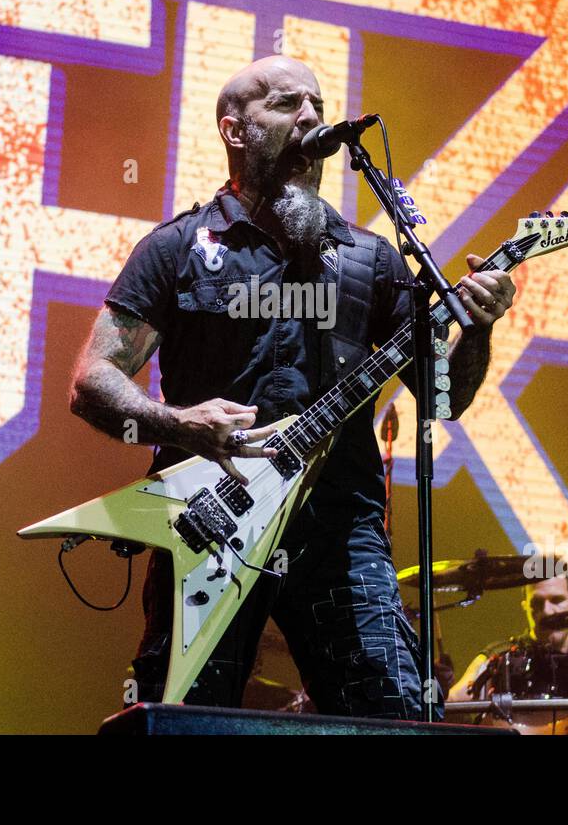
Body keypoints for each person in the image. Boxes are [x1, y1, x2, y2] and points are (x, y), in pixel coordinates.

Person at [69, 55, 515, 720]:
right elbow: (92, 378)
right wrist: (180, 423)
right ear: (235, 131)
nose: (310, 116)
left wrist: (476, 331)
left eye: (315, 101)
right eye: (284, 103)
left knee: (391, 718)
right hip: (210, 524)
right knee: (188, 717)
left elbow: (445, 398)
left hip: (340, 532)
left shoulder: (370, 258)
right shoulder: (178, 247)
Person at [448, 571, 568, 732]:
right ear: (525, 606)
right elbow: (451, 703)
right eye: (537, 603)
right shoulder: (500, 658)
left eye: (557, 600)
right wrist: (440, 686)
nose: (547, 611)